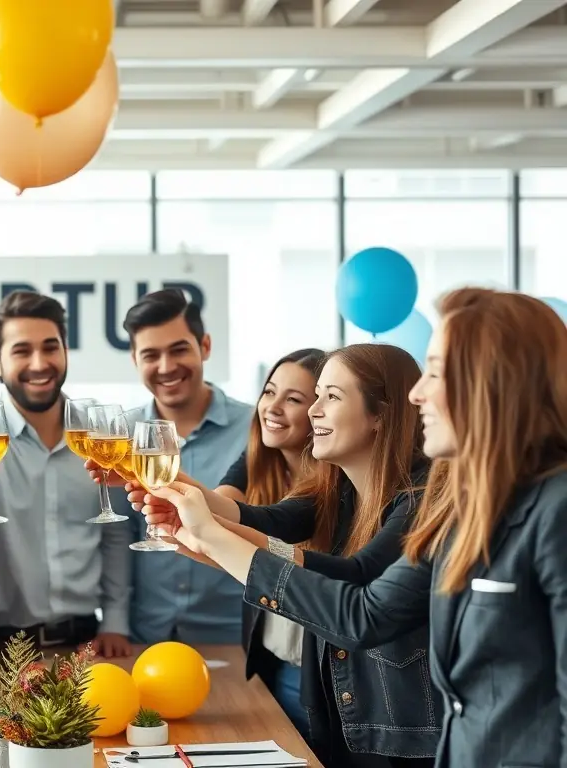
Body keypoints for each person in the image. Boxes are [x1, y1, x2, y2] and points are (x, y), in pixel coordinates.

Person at [145, 288, 567, 768]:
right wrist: (202, 534)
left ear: (496, 382)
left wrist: (211, 537)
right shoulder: (463, 501)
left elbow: (358, 598)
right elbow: (364, 611)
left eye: (436, 372)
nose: (417, 394)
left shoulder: (544, 507)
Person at [125, 344, 436, 767]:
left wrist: (210, 538)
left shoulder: (424, 494)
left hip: (399, 732)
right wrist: (193, 530)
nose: (313, 411)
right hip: (342, 713)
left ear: (380, 415)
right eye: (317, 395)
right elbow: (264, 523)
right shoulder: (339, 488)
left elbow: (355, 576)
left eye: (331, 397)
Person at [0, 290, 133, 657]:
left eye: (51, 347)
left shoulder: (100, 433)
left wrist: (115, 622)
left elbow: (115, 532)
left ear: (65, 351)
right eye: (21, 351)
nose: (39, 363)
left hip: (87, 645)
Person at [88, 289, 255, 645]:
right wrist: (113, 623)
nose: (166, 367)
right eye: (151, 355)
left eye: (179, 350)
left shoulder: (255, 430)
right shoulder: (121, 436)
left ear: (205, 346)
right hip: (146, 634)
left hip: (236, 635)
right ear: (135, 360)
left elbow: (272, 527)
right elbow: (118, 536)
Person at [219, 348, 325, 736]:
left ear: (321, 412)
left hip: (318, 679)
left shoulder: (337, 482)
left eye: (293, 399)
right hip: (272, 665)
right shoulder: (260, 459)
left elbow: (260, 528)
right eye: (269, 392)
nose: (272, 407)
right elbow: (219, 507)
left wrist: (180, 499)